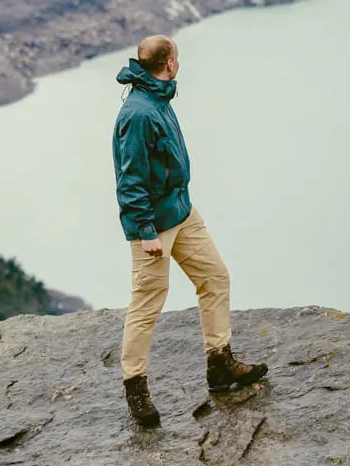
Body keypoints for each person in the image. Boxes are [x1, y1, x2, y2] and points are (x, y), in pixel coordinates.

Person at [113, 33, 266, 427]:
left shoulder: (158, 97)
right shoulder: (139, 113)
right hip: (154, 226)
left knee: (214, 277)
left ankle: (220, 365)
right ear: (169, 63)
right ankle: (136, 388)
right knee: (147, 304)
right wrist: (145, 232)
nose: (179, 62)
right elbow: (130, 181)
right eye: (177, 56)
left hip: (180, 212)